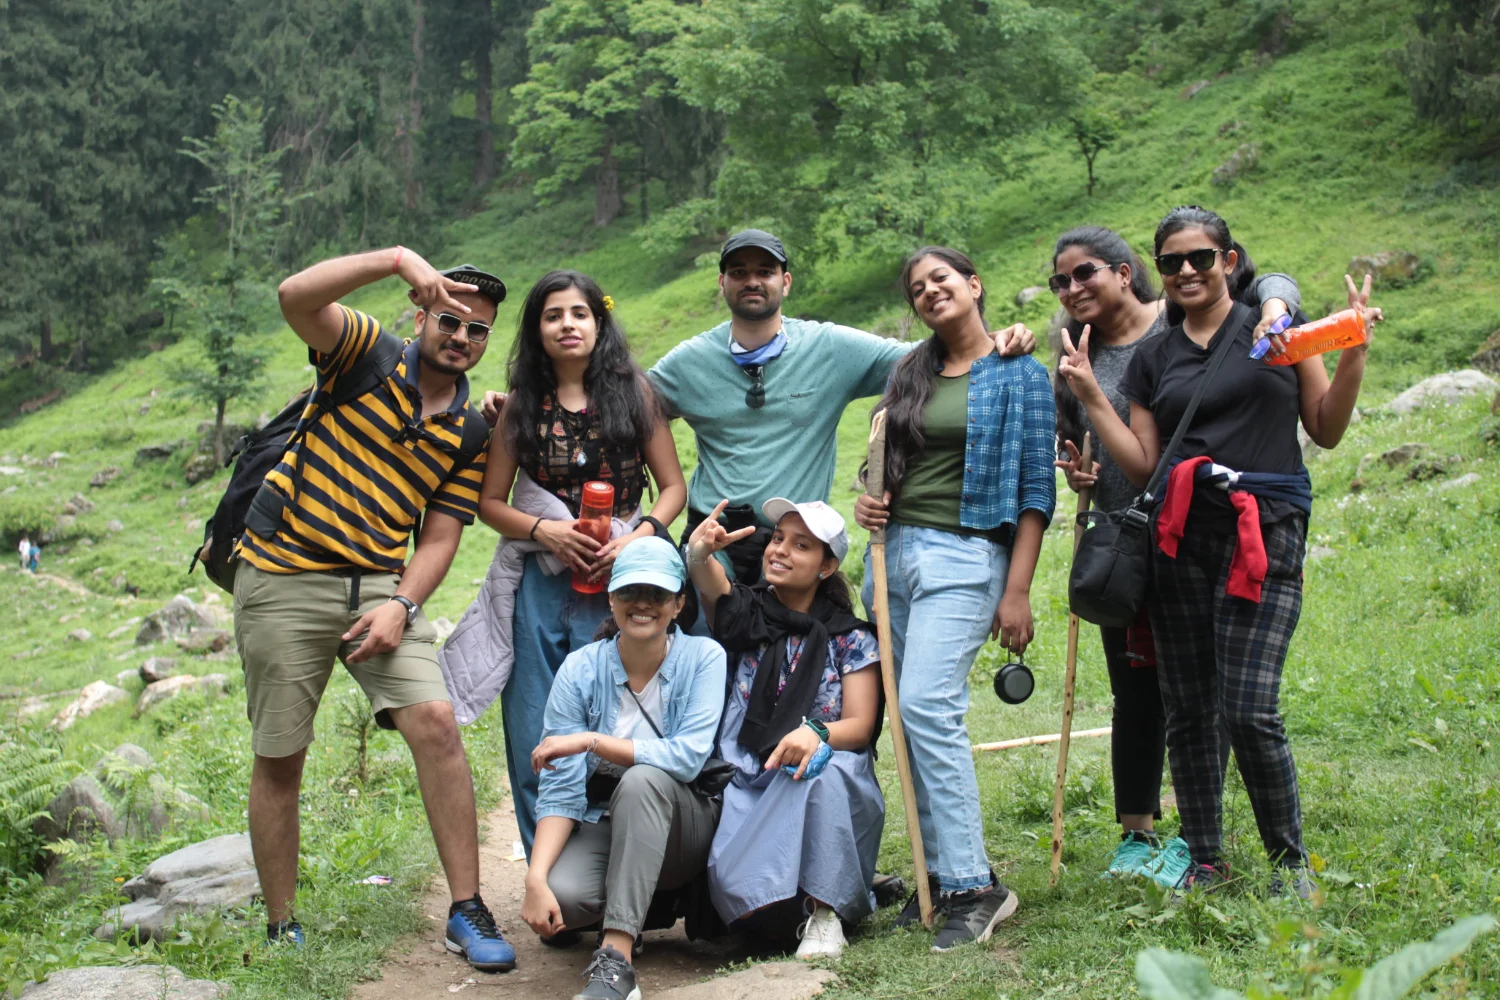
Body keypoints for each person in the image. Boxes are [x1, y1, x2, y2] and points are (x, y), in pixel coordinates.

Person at [1057, 205, 1378, 894]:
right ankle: (1206, 858)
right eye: (1170, 262)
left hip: (1264, 530)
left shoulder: (1275, 329)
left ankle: (1289, 863)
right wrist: (1089, 393)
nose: (1185, 272)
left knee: (1249, 707)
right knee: (1189, 706)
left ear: (1229, 261)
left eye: (1200, 258)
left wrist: (1352, 354)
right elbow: (1144, 465)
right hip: (1177, 538)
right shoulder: (1151, 358)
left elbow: (1325, 428)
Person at [234, 247, 516, 969]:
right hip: (284, 580)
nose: (460, 336)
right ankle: (281, 924)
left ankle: (467, 908)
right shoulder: (362, 351)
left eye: (476, 329)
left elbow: (443, 535)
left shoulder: (471, 432)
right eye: (449, 320)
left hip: (381, 594)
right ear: (421, 314)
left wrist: (402, 603)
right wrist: (395, 259)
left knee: (438, 726)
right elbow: (294, 294)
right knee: (280, 757)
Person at [854, 246, 1055, 950]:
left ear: (973, 285)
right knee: (907, 723)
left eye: (941, 279)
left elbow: (1035, 490)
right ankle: (937, 874)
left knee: (927, 706)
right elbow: (877, 462)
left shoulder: (1020, 374)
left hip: (966, 556)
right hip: (893, 559)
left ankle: (975, 886)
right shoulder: (910, 371)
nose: (930, 291)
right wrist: (869, 506)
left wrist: (1018, 589)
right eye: (917, 287)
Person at [643, 229, 1038, 587]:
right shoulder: (688, 361)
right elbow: (626, 409)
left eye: (765, 271)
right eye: (738, 272)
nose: (751, 281)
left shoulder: (830, 348)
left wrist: (991, 340)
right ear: (722, 283)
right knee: (706, 656)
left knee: (790, 660)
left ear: (786, 282)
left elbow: (927, 358)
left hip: (796, 544)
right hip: (714, 538)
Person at [477, 270, 686, 858]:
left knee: (619, 715)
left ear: (599, 322)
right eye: (552, 315)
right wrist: (548, 530)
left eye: (578, 314)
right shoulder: (521, 405)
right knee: (533, 723)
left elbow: (672, 488)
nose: (567, 325)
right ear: (537, 329)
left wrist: (637, 536)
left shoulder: (635, 394)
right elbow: (490, 503)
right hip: (541, 584)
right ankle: (549, 870)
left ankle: (612, 863)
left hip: (621, 585)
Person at [522, 536, 726, 1000]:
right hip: (607, 821)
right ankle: (631, 906)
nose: (642, 605)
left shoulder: (704, 658)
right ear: (610, 599)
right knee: (565, 900)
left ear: (678, 604)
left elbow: (688, 756)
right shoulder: (580, 669)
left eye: (657, 595)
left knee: (643, 778)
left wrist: (593, 740)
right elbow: (561, 788)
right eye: (631, 592)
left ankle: (616, 963)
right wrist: (535, 878)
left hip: (684, 825)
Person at [687, 497, 882, 960]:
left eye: (801, 546)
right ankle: (781, 910)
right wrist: (700, 550)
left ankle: (825, 911)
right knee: (742, 894)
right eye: (777, 539)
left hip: (823, 778)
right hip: (749, 774)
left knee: (823, 770)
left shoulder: (850, 637)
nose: (780, 551)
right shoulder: (746, 612)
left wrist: (817, 732)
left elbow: (860, 725)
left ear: (827, 566)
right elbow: (708, 578)